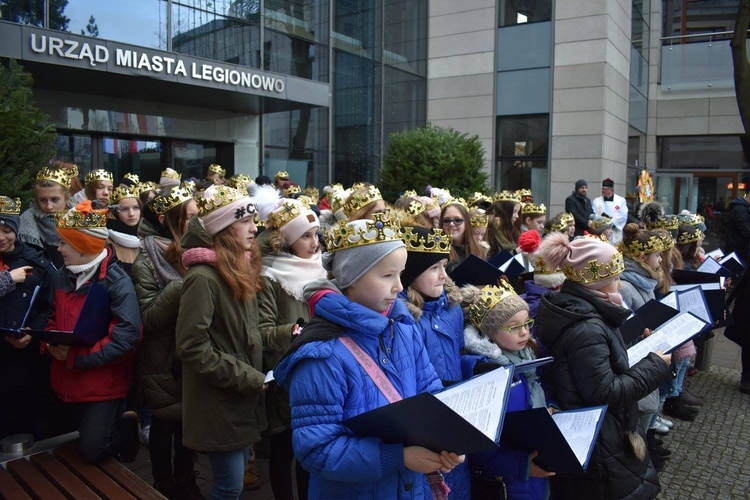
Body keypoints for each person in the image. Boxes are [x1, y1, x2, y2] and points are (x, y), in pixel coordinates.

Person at [273, 214, 465, 499]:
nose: (399, 286)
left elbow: (430, 394)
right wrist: (398, 457)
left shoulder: (403, 329)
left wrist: (445, 441)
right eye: (387, 275)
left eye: (400, 274)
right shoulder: (322, 354)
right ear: (351, 279)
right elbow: (316, 450)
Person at [535, 233, 672, 499]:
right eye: (616, 279)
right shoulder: (587, 327)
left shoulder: (589, 310)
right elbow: (605, 391)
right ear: (597, 284)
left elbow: (598, 362)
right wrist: (655, 366)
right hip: (601, 442)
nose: (620, 285)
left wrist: (633, 343)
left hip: (605, 434)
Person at [175, 185, 267, 499]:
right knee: (228, 488)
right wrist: (249, 378)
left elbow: (248, 334)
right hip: (219, 402)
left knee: (234, 483)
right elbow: (191, 346)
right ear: (225, 229)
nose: (255, 228)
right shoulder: (203, 277)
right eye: (246, 222)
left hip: (239, 399)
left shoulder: (236, 267)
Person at [45, 200, 142, 463]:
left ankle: (125, 431)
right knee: (78, 445)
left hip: (104, 382)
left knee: (92, 450)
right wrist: (49, 342)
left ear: (83, 247)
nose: (59, 248)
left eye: (64, 243)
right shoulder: (62, 276)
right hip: (67, 378)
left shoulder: (116, 282)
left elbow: (127, 338)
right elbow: (53, 317)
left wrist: (76, 358)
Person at [253, 186, 326, 500]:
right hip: (287, 375)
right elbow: (262, 331)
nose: (314, 243)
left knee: (311, 450)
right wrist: (291, 331)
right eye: (305, 236)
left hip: (320, 369)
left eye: (315, 234)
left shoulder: (323, 268)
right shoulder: (269, 277)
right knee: (284, 451)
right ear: (285, 239)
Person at [132, 187, 201, 498]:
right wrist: (184, 285)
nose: (198, 224)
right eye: (191, 218)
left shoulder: (193, 248)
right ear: (166, 220)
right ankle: (164, 484)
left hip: (191, 349)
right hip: (161, 357)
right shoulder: (145, 260)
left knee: (189, 423)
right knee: (164, 423)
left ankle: (187, 479)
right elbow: (148, 317)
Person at [462, 283, 553, 499]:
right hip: (510, 482)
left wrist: (550, 409)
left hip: (534, 475)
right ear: (491, 333)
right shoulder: (486, 374)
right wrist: (523, 465)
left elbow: (543, 394)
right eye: (513, 327)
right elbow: (481, 450)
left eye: (527, 324)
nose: (524, 332)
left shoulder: (527, 358)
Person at [0, 196, 54, 440]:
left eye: (7, 230)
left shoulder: (37, 262)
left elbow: (51, 305)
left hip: (22, 356)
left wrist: (33, 331)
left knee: (23, 417)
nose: (1, 237)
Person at [18, 166, 73, 269]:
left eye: (54, 200)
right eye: (43, 200)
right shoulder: (26, 220)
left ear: (67, 199)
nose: (49, 206)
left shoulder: (79, 217)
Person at [441, 199, 486, 273]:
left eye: (457, 220)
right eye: (446, 220)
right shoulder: (437, 252)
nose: (451, 224)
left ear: (466, 223)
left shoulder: (480, 250)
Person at [107, 186, 142, 275]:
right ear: (115, 213)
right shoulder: (106, 240)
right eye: (124, 209)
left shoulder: (149, 236)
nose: (131, 214)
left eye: (135, 208)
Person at [592, 178, 628, 244]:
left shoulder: (620, 200)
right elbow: (594, 216)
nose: (602, 191)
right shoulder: (597, 201)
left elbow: (623, 215)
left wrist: (611, 224)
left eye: (604, 189)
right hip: (602, 232)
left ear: (611, 190)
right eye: (602, 188)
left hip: (615, 231)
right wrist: (604, 226)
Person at [486, 191, 521, 256]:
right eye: (514, 212)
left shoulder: (511, 229)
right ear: (504, 211)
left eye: (518, 212)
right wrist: (518, 251)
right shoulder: (494, 229)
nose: (517, 216)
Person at [723, 179, 750, 263]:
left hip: (738, 250)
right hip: (738, 252)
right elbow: (747, 231)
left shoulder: (741, 208)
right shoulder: (740, 210)